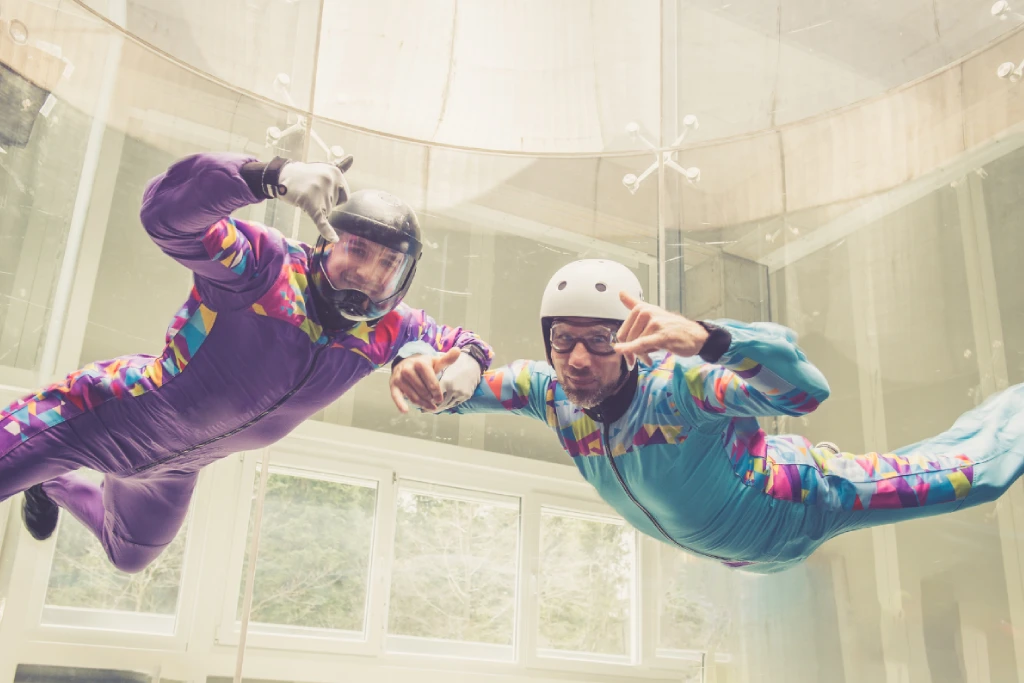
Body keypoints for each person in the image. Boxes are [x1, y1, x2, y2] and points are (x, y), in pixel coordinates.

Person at [1, 151, 490, 573]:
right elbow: (164, 216)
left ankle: (52, 485)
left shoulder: (393, 331)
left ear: (404, 276)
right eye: (356, 250)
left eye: (387, 264)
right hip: (97, 413)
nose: (365, 274)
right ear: (325, 241)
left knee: (128, 556)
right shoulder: (265, 265)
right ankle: (51, 465)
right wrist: (266, 175)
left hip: (175, 469)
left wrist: (464, 364)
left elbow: (459, 342)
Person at [391, 259, 1024, 573]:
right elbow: (454, 383)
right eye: (562, 340)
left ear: (631, 341)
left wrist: (713, 341)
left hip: (801, 500)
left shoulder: (679, 390)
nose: (577, 360)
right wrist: (418, 362)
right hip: (746, 557)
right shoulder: (547, 389)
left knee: (978, 472)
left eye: (598, 340)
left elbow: (803, 394)